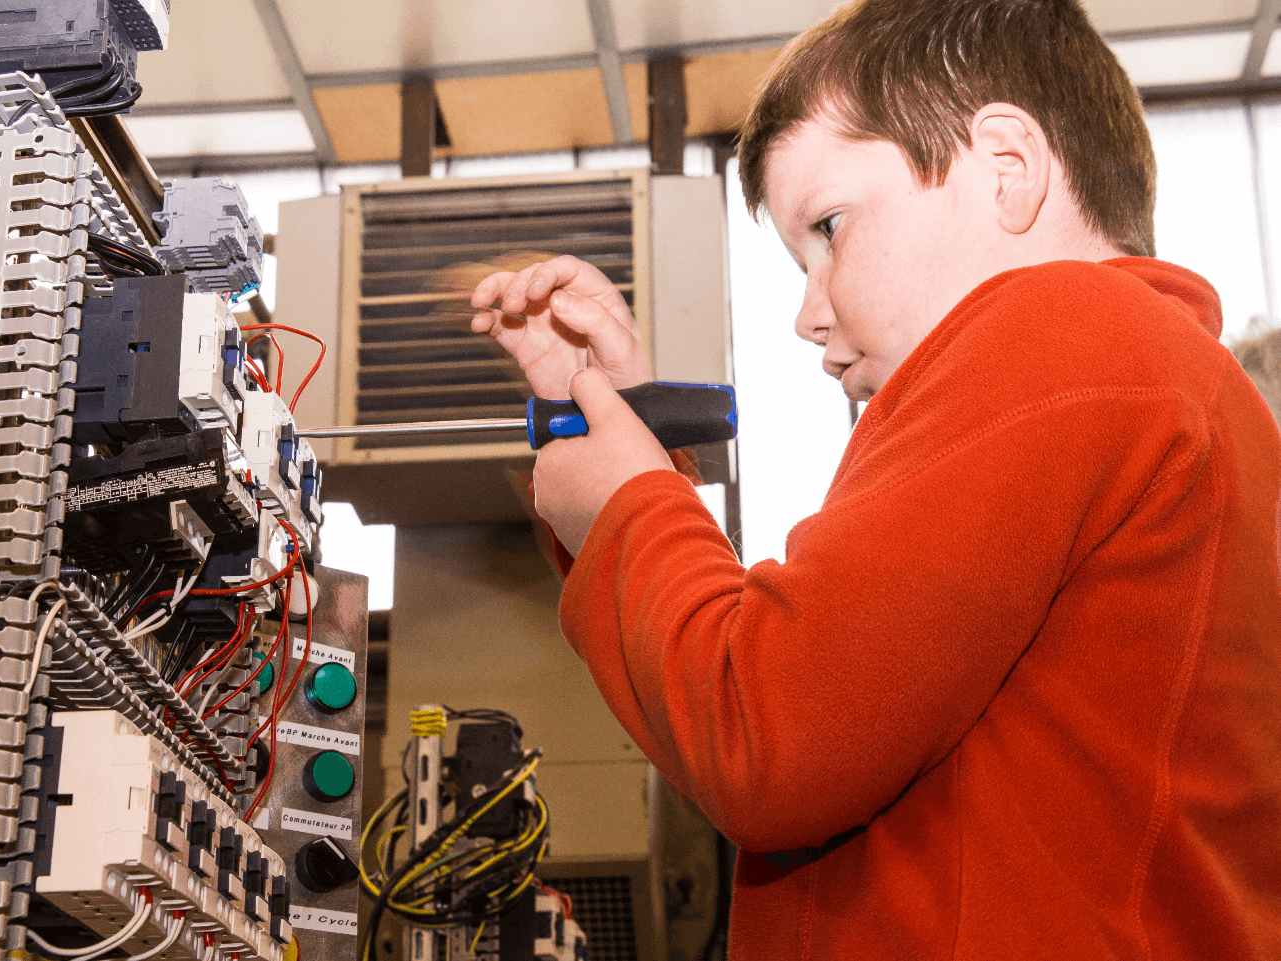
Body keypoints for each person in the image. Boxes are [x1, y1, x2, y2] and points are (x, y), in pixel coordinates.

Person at [470, 0, 1281, 957]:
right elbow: (812, 723)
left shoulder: (1066, 333)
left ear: (1006, 170)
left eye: (829, 227)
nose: (808, 314)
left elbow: (766, 733)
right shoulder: (1152, 384)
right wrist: (628, 451)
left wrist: (629, 503)